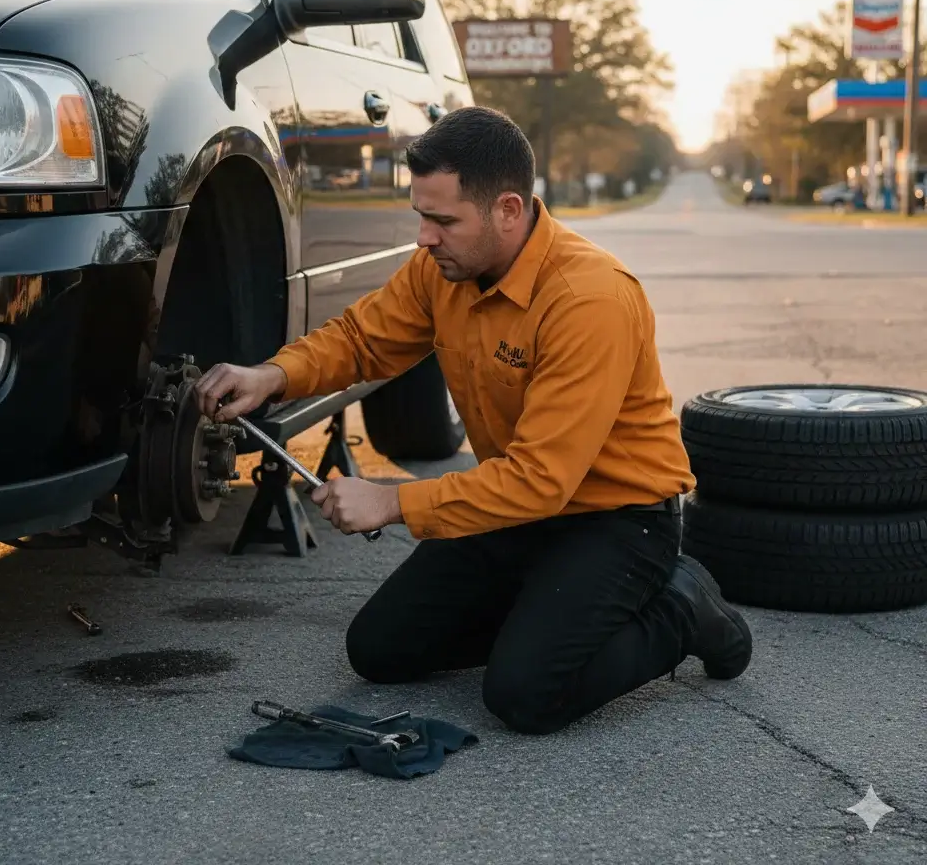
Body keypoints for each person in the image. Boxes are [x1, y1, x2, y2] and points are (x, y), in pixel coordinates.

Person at [195, 106, 753, 735]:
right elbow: (362, 341)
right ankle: (548, 615)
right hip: (511, 511)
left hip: (616, 521)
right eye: (420, 217)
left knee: (526, 694)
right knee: (379, 651)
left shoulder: (588, 300)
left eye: (443, 220)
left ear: (508, 210)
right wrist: (273, 375)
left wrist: (391, 503)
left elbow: (543, 479)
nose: (424, 238)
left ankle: (683, 606)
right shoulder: (445, 268)